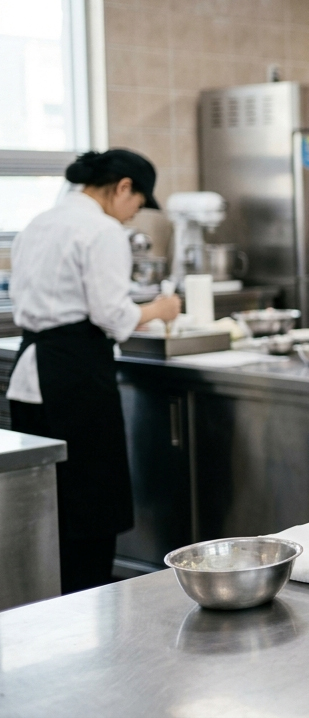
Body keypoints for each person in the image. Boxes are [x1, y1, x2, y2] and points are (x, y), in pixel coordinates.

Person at [7, 149, 182, 593]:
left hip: (30, 376)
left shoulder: (37, 223)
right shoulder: (102, 230)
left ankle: (48, 601)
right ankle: (88, 606)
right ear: (122, 187)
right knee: (90, 504)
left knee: (49, 506)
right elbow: (112, 315)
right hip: (75, 378)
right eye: (137, 204)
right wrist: (158, 308)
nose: (133, 215)